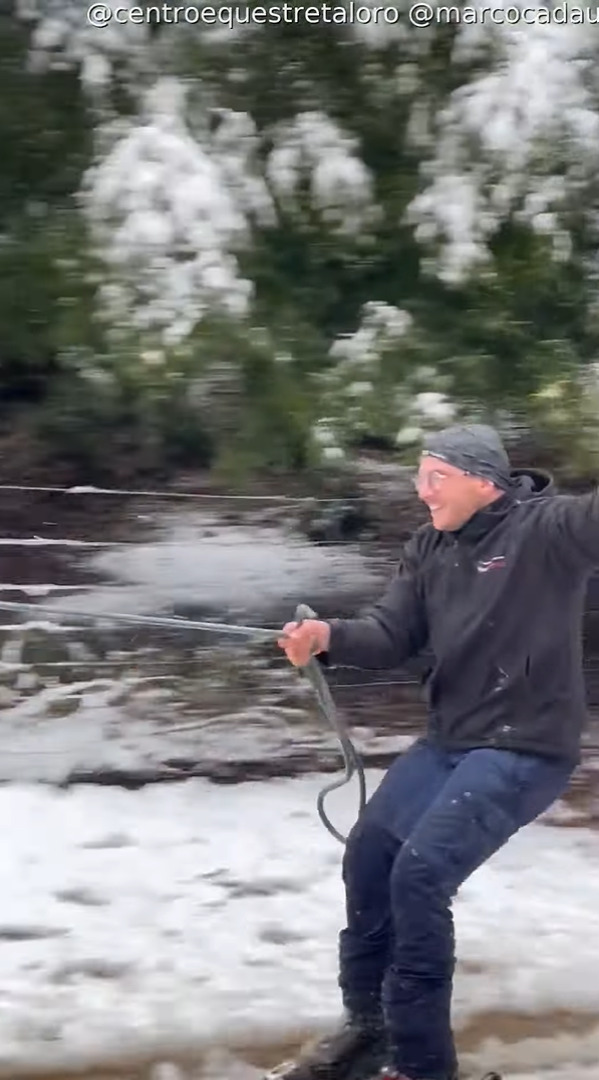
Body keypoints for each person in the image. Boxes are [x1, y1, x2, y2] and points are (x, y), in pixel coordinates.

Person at [276, 423, 596, 1080]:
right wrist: (325, 635)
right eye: (418, 479)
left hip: (525, 748)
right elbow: (390, 632)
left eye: (435, 478)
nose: (421, 492)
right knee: (369, 855)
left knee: (420, 874)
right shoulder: (428, 547)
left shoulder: (548, 531)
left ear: (482, 478)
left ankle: (421, 1066)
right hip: (450, 740)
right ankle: (366, 1031)